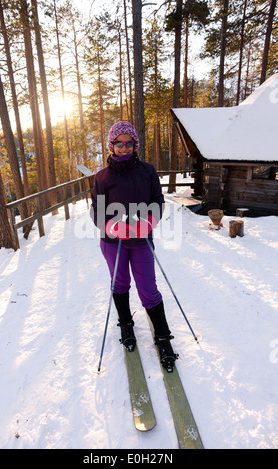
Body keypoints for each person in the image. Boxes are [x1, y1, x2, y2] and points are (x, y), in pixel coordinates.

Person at [91, 121, 178, 372]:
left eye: (129, 143)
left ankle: (163, 337)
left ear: (135, 145)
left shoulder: (147, 171)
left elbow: (157, 200)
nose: (124, 147)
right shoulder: (102, 177)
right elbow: (96, 211)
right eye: (119, 143)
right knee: (119, 283)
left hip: (141, 241)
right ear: (111, 145)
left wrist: (150, 221)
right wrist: (111, 227)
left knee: (148, 288)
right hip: (113, 242)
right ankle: (126, 323)